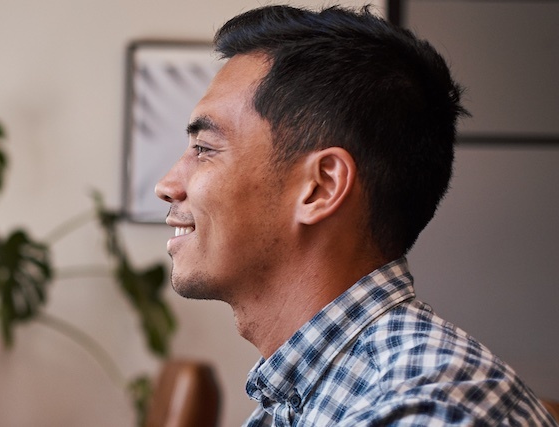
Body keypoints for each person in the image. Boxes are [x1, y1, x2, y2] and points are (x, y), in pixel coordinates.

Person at [153, 5, 557, 426]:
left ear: (321, 187)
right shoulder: (295, 400)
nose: (166, 184)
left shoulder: (423, 408)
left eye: (204, 149)